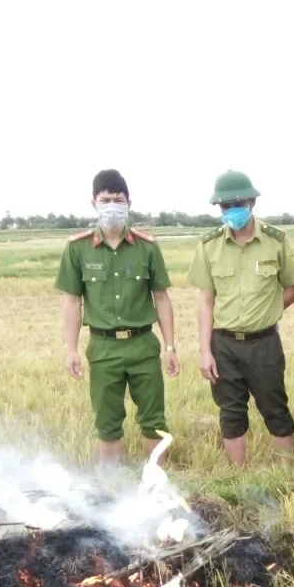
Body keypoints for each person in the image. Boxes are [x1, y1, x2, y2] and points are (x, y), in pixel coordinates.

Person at [55, 168, 179, 467]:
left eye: (118, 199)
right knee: (107, 424)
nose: (112, 205)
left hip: (143, 346)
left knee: (154, 421)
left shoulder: (147, 247)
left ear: (128, 203)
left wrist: (170, 346)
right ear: (94, 203)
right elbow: (72, 302)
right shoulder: (77, 249)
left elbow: (161, 298)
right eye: (106, 199)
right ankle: (109, 491)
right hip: (103, 348)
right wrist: (71, 350)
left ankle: (155, 485)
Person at [188, 170, 294, 467]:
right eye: (226, 206)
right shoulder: (208, 245)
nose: (233, 210)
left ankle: (286, 473)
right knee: (231, 411)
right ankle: (239, 474)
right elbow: (205, 301)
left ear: (252, 202)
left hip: (264, 343)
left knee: (275, 408)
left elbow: (293, 288)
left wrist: (269, 311)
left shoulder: (275, 241)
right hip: (223, 344)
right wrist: (204, 352)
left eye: (238, 203)